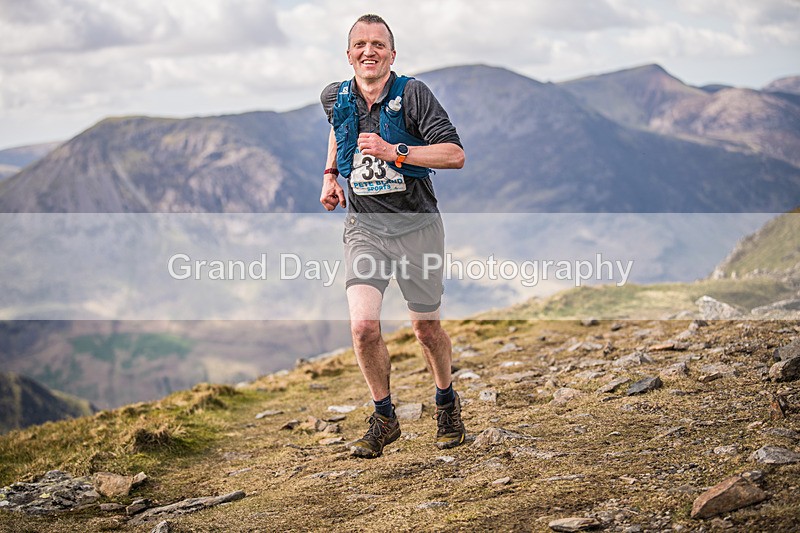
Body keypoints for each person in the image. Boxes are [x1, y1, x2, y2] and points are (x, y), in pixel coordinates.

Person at [320, 14, 466, 458]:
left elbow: (455, 155)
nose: (369, 51)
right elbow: (339, 129)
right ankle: (384, 417)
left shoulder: (414, 94)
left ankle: (446, 402)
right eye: (360, 44)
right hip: (365, 229)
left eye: (378, 44)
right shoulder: (336, 95)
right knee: (364, 328)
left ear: (392, 54)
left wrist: (394, 151)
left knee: (425, 328)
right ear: (349, 55)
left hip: (417, 226)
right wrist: (330, 174)